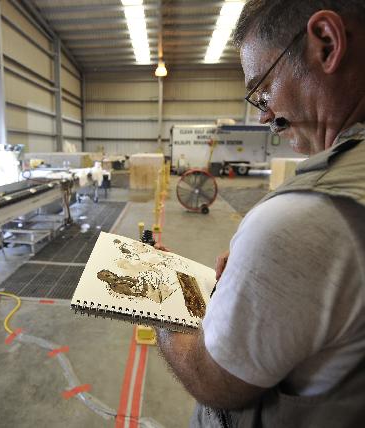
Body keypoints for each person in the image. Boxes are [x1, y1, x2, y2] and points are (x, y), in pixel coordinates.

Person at [155, 1, 365, 427]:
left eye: (263, 88)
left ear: (326, 43)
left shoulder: (306, 217)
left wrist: (159, 300)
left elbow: (214, 381)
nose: (263, 114)